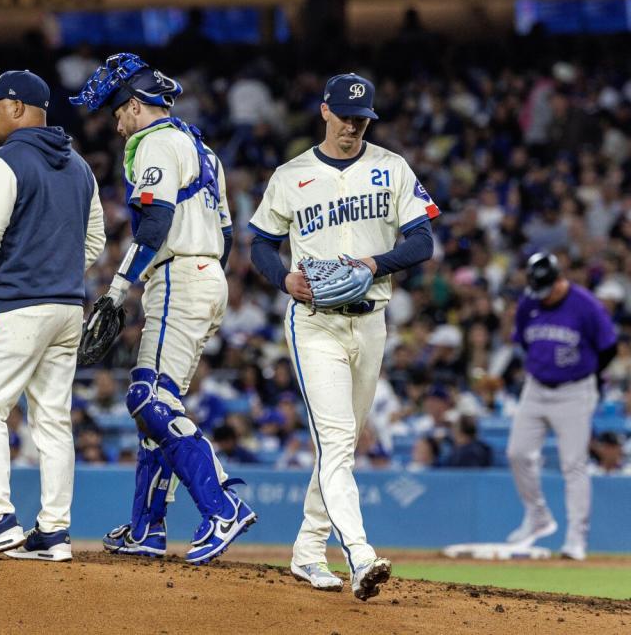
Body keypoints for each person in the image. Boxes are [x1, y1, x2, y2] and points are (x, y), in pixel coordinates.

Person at [249, 73, 436, 599]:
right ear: (325, 111)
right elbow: (260, 242)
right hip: (314, 323)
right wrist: (282, 278)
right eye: (346, 115)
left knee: (342, 447)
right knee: (336, 444)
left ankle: (308, 552)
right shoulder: (292, 174)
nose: (353, 125)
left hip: (370, 319)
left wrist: (375, 262)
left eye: (362, 118)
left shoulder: (391, 167)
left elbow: (422, 242)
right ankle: (360, 554)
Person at [70, 52, 255, 565]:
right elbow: (223, 232)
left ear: (135, 105)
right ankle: (148, 529)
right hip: (202, 272)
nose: (115, 119)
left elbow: (153, 226)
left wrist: (117, 287)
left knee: (144, 397)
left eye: (117, 109)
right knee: (158, 408)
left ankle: (222, 506)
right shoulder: (200, 146)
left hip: (179, 274)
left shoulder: (153, 143)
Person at [0, 70, 105, 562]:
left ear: (17, 107)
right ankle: (54, 532)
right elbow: (94, 240)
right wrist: (58, 269)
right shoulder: (79, 165)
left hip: (19, 304)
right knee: (53, 418)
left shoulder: (3, 159)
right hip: (67, 305)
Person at [506, 252, 617, 561]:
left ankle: (576, 540)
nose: (543, 296)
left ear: (559, 279)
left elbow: (608, 347)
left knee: (574, 465)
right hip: (536, 387)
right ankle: (538, 515)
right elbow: (526, 343)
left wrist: (586, 376)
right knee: (516, 452)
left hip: (575, 391)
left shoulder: (586, 304)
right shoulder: (529, 302)